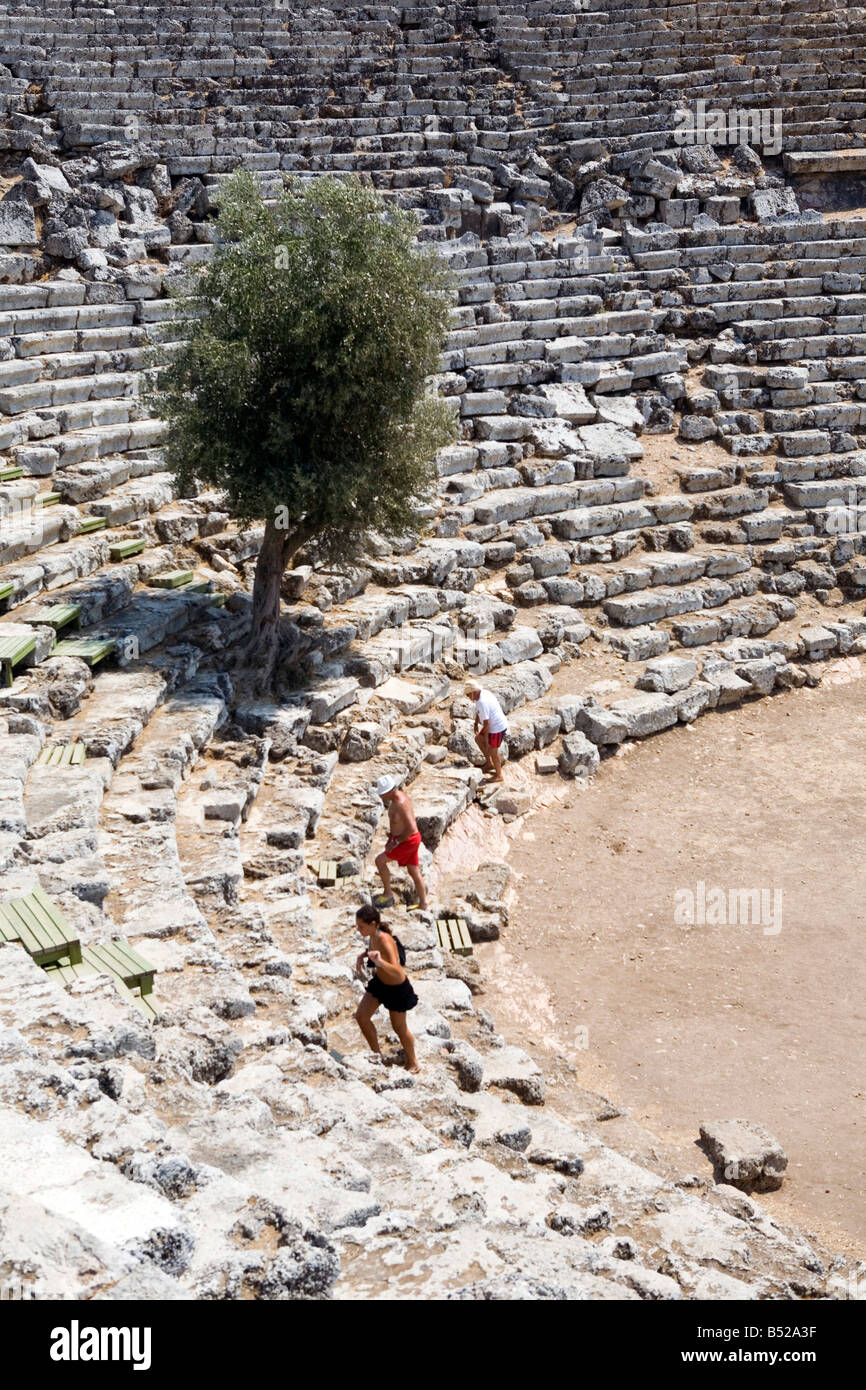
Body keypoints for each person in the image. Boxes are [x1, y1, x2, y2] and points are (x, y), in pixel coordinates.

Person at [353, 904, 420, 1073]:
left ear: (373, 924)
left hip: (397, 988)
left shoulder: (384, 939)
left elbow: (398, 971)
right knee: (361, 1016)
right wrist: (363, 955)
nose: (358, 929)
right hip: (380, 984)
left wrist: (379, 962)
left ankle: (413, 1062)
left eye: (361, 926)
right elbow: (374, 950)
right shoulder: (372, 935)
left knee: (399, 1028)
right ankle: (377, 1055)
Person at [372, 774, 428, 912]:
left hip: (407, 841)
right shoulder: (397, 798)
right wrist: (390, 838)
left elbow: (410, 827)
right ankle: (423, 904)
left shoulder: (400, 803)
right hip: (408, 839)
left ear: (389, 791)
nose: (381, 796)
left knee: (380, 861)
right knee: (414, 870)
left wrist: (395, 842)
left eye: (383, 793)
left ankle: (388, 894)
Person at [466, 681, 508, 782]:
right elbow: (479, 712)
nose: (468, 697)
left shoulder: (482, 702)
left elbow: (487, 724)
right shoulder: (482, 693)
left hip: (497, 727)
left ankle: (499, 775)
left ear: (473, 692)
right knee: (478, 739)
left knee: (493, 751)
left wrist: (486, 739)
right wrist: (476, 723)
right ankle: (489, 764)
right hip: (493, 725)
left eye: (468, 695)